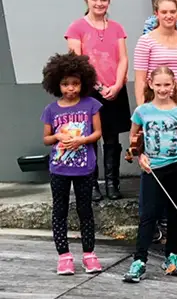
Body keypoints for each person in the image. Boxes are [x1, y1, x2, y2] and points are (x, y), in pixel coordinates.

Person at [124, 67, 177, 283]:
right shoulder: (142, 111)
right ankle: (140, 260)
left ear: (173, 86)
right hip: (152, 169)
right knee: (148, 215)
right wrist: (140, 155)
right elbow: (134, 138)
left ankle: (172, 256)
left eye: (167, 85)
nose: (163, 89)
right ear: (151, 84)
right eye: (159, 85)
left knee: (174, 213)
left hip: (175, 167)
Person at [65, 0, 130, 201]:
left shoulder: (117, 28)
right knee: (89, 138)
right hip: (90, 91)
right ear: (87, 0)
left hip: (115, 88)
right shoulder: (76, 27)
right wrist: (99, 86)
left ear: (108, 1)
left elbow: (122, 58)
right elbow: (78, 62)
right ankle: (91, 184)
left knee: (112, 138)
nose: (99, 3)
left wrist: (118, 84)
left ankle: (112, 183)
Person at [41, 53, 104, 275]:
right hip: (59, 168)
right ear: (56, 84)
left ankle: (89, 254)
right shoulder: (51, 110)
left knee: (85, 209)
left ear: (83, 83)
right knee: (59, 210)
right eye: (65, 84)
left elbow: (98, 133)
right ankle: (64, 256)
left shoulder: (91, 105)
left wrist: (82, 140)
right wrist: (58, 137)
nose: (71, 89)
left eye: (75, 84)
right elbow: (46, 138)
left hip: (85, 167)